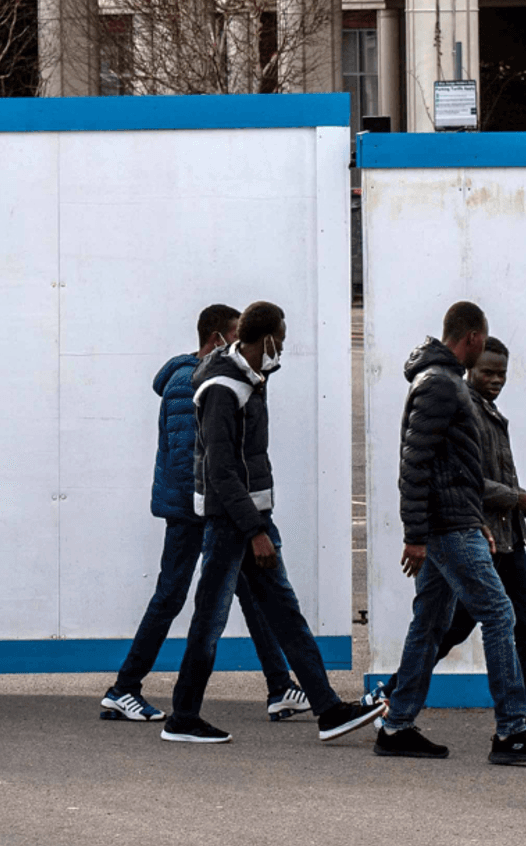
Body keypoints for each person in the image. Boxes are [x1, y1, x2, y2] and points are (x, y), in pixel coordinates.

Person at [161, 301, 383, 745]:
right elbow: (222, 470)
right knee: (211, 619)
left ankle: (328, 709)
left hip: (247, 520)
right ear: (266, 339)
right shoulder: (225, 389)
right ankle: (183, 717)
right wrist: (255, 531)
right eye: (281, 338)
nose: (284, 346)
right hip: (234, 525)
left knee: (285, 614)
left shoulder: (246, 378)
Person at [99, 304, 306, 725]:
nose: (241, 347)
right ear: (215, 339)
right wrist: (213, 512)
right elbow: (190, 460)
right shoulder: (186, 382)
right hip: (192, 511)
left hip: (210, 509)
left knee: (251, 593)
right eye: (234, 337)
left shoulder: (211, 377)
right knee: (171, 597)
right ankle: (123, 689)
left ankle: (280, 685)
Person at [376, 302, 526, 767]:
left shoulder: (442, 382)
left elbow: (449, 468)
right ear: (474, 338)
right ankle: (512, 732)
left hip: (454, 522)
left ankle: (397, 725)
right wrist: (415, 535)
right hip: (446, 529)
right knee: (501, 615)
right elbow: (414, 465)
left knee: (431, 623)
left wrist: (472, 517)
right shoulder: (440, 385)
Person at [432, 339, 526, 749]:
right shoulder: (464, 410)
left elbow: (490, 478)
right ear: (470, 369)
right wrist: (518, 498)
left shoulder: (489, 411)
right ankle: (394, 696)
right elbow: (468, 481)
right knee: (453, 629)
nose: (497, 380)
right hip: (482, 541)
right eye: (488, 372)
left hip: (509, 540)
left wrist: (523, 502)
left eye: (502, 373)